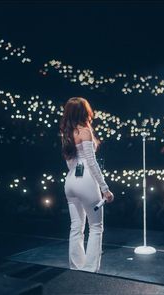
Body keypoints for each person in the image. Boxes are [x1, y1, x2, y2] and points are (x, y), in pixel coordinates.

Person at [60, 97, 114, 273]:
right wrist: (105, 189)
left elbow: (69, 162)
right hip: (86, 182)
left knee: (76, 227)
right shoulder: (85, 132)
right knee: (96, 227)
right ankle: (90, 269)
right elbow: (92, 163)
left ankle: (76, 267)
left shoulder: (66, 133)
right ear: (85, 112)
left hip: (70, 182)